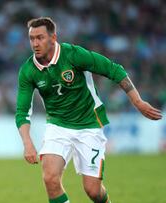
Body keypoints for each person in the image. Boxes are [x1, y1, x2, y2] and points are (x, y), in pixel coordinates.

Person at [15, 17, 162, 203]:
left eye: (40, 37)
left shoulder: (73, 55)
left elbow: (113, 69)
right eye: (32, 38)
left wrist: (138, 101)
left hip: (89, 124)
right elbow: (22, 111)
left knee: (93, 191)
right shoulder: (28, 70)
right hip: (57, 126)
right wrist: (27, 143)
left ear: (53, 38)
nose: (35, 43)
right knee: (50, 178)